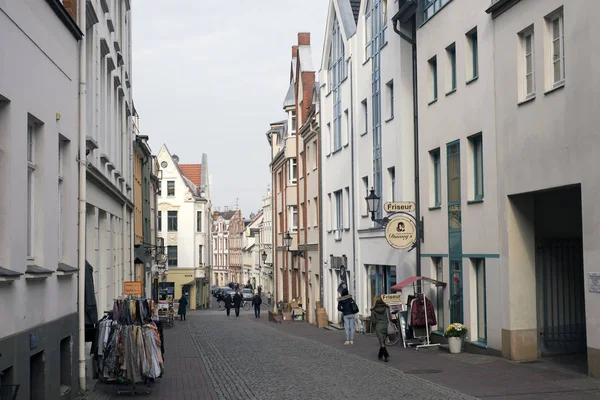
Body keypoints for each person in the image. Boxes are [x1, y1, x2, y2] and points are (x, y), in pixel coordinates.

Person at [371, 296, 390, 362]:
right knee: (383, 341)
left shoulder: (373, 310)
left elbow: (373, 321)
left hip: (379, 326)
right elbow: (389, 317)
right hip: (386, 325)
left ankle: (386, 355)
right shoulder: (386, 308)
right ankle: (380, 354)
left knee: (381, 341)